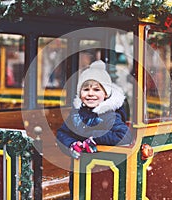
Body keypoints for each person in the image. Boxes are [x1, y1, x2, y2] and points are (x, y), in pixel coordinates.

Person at [56, 60, 132, 198]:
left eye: (96, 89)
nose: (90, 93)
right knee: (78, 193)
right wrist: (72, 144)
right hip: (79, 169)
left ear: (106, 94)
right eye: (86, 89)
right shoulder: (76, 114)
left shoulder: (110, 115)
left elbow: (124, 135)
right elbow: (62, 133)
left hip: (101, 171)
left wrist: (95, 139)